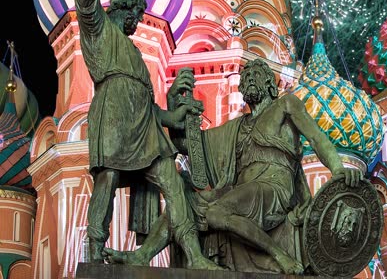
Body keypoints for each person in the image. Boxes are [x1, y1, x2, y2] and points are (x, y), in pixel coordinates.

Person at [105, 59, 363, 274]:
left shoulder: (285, 104)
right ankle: (142, 256)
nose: (249, 78)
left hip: (274, 188)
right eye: (245, 76)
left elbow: (317, 138)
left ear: (271, 86)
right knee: (181, 199)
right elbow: (189, 145)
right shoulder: (238, 127)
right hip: (242, 189)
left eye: (256, 75)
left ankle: (279, 255)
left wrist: (338, 169)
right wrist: (174, 107)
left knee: (216, 213)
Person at [75, 0, 219, 270]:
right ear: (118, 9)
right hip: (113, 117)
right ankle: (94, 250)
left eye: (139, 17)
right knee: (106, 180)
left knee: (174, 185)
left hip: (144, 127)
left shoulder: (136, 55)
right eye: (133, 15)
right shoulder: (98, 29)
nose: (136, 23)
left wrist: (176, 114)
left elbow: (151, 108)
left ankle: (194, 257)